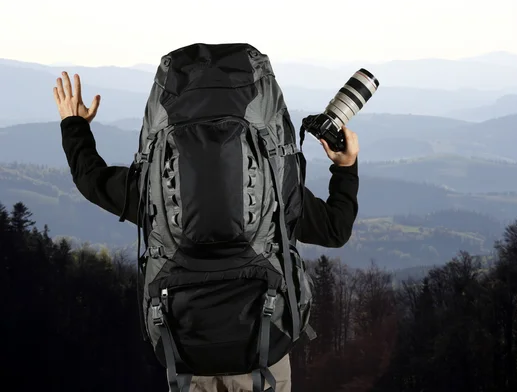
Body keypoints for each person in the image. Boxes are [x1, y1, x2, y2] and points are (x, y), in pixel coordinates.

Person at [52, 71, 359, 391]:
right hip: (265, 351)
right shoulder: (275, 185)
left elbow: (91, 180)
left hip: (186, 354)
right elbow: (336, 229)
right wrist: (345, 166)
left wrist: (74, 123)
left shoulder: (156, 186)